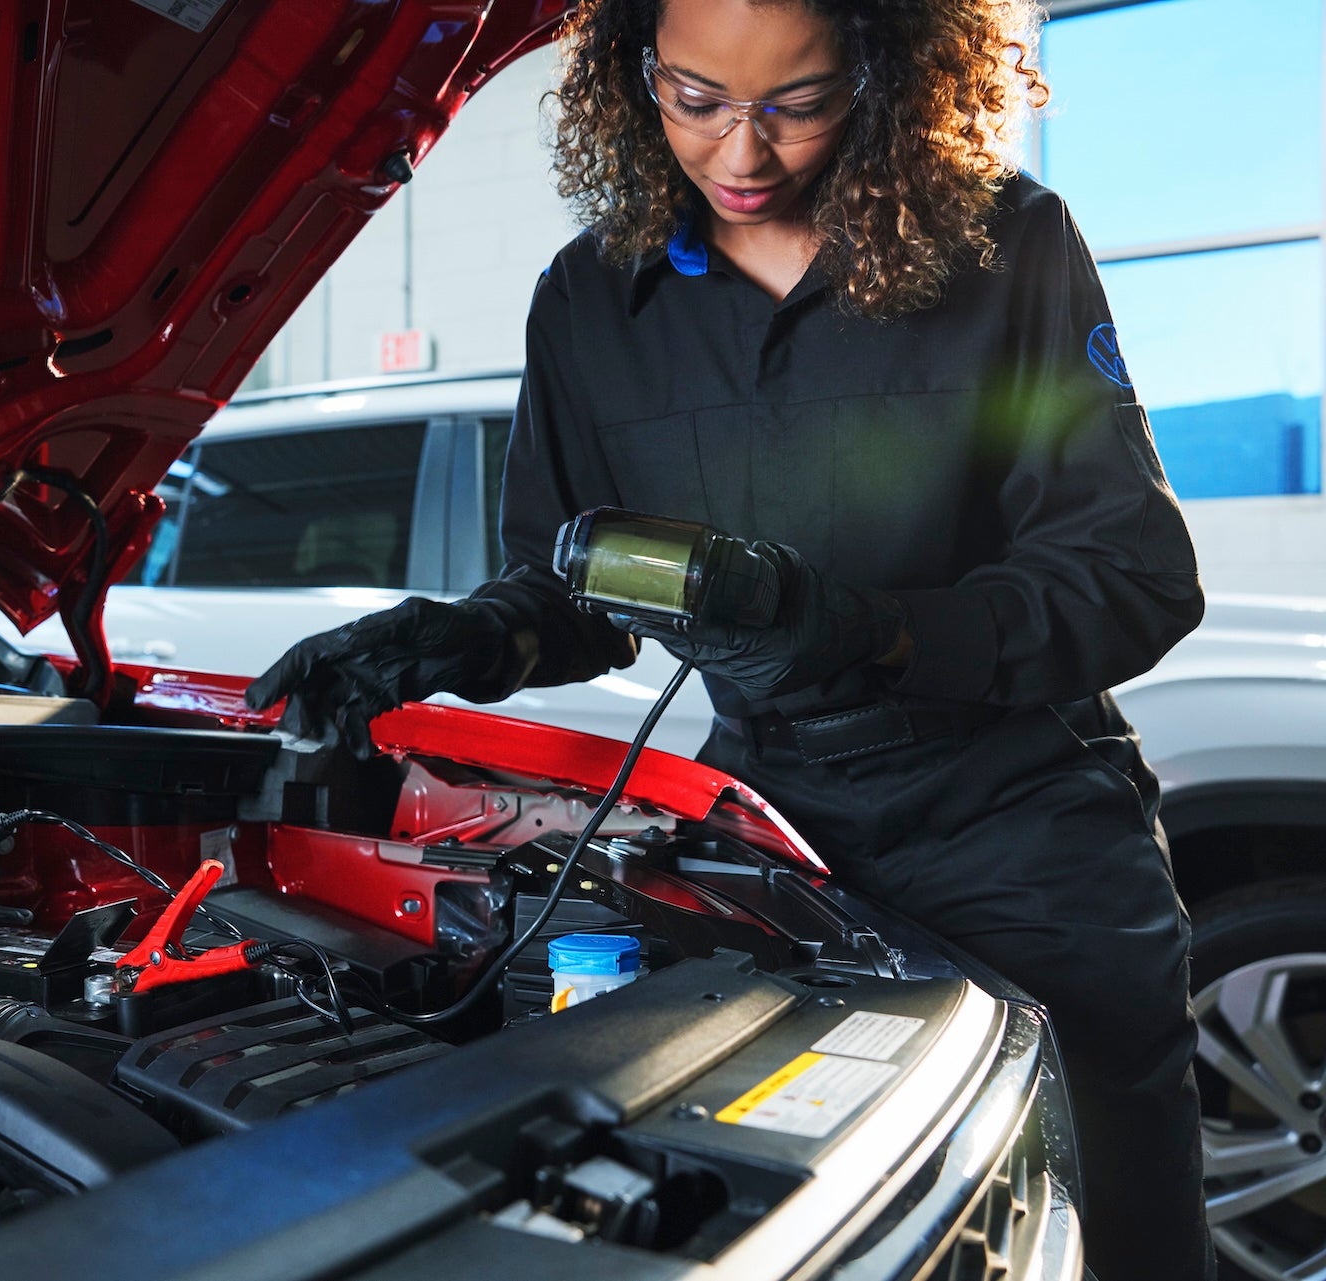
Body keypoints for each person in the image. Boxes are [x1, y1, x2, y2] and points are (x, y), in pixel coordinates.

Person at [244, 0, 1210, 1276]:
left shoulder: (1007, 247)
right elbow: (572, 591)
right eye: (695, 100)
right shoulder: (592, 299)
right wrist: (465, 641)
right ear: (631, 73)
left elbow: (1131, 577)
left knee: (1107, 1221)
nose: (740, 156)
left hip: (1020, 826)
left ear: (885, 72)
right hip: (772, 833)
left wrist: (875, 634)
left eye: (796, 104)